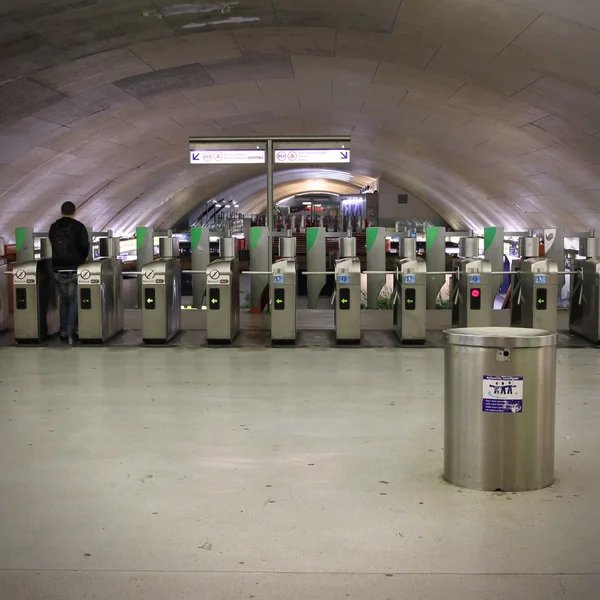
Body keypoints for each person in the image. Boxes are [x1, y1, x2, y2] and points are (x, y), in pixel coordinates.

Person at [49, 202, 90, 343]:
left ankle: (63, 332)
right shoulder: (79, 227)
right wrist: (81, 259)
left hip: (58, 269)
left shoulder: (54, 227)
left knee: (63, 300)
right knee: (73, 300)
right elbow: (85, 246)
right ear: (74, 212)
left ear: (61, 211)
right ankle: (73, 331)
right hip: (74, 268)